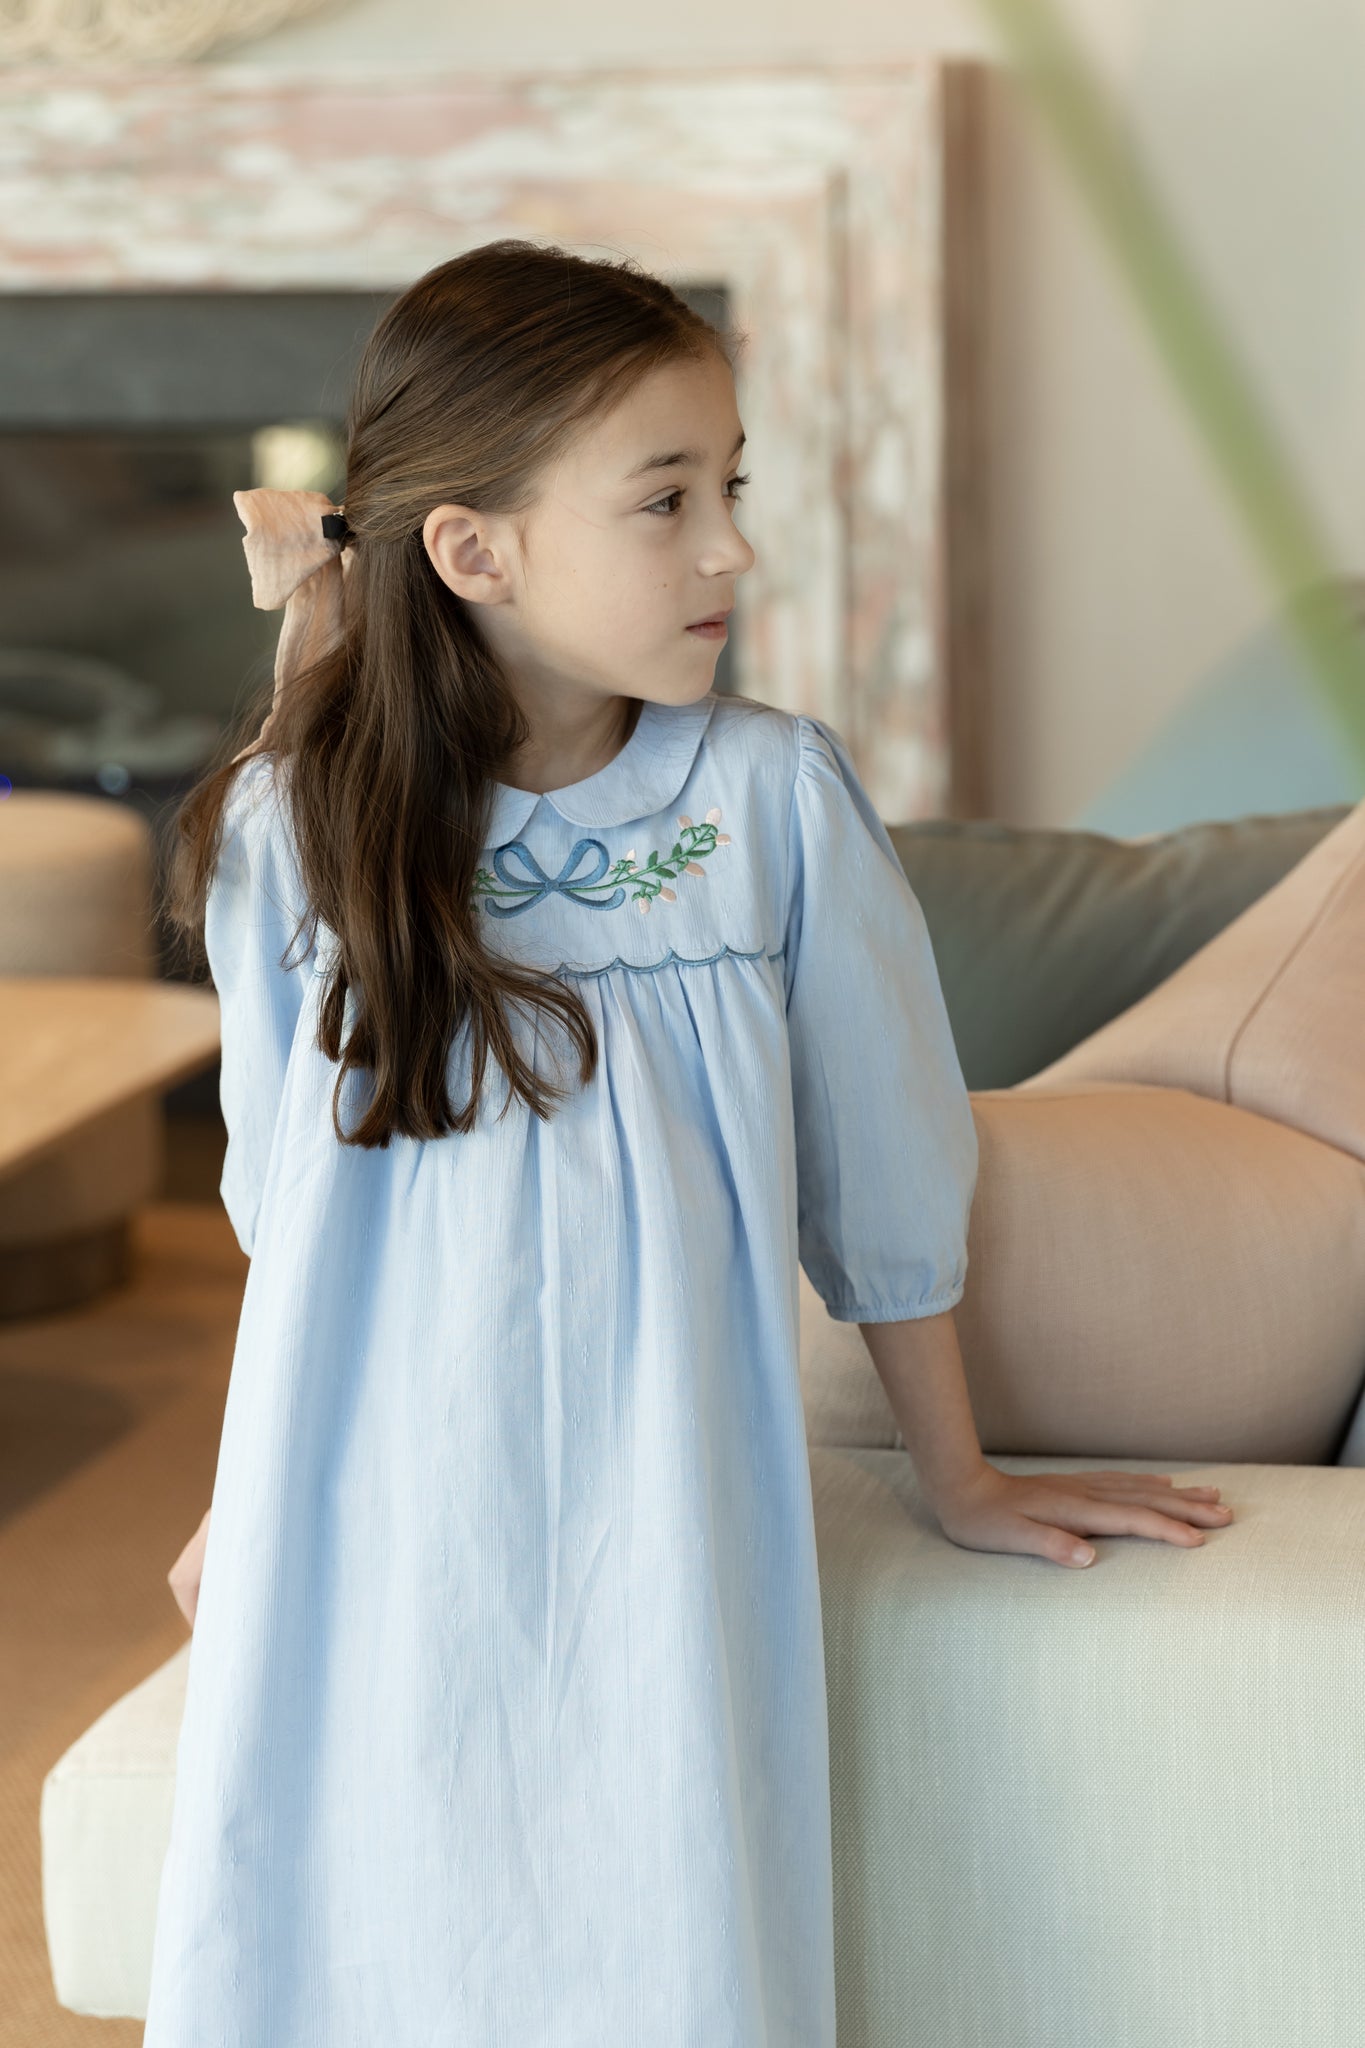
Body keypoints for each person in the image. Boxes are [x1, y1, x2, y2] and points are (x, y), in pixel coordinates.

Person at [150, 239, 1232, 2046]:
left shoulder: (767, 804)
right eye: (665, 501)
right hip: (370, 1503)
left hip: (660, 1501)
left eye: (731, 489)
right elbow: (287, 1209)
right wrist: (239, 1491)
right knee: (350, 1932)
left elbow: (884, 1166)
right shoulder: (292, 827)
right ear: (474, 552)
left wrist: (958, 1472)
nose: (728, 547)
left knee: (660, 1912)